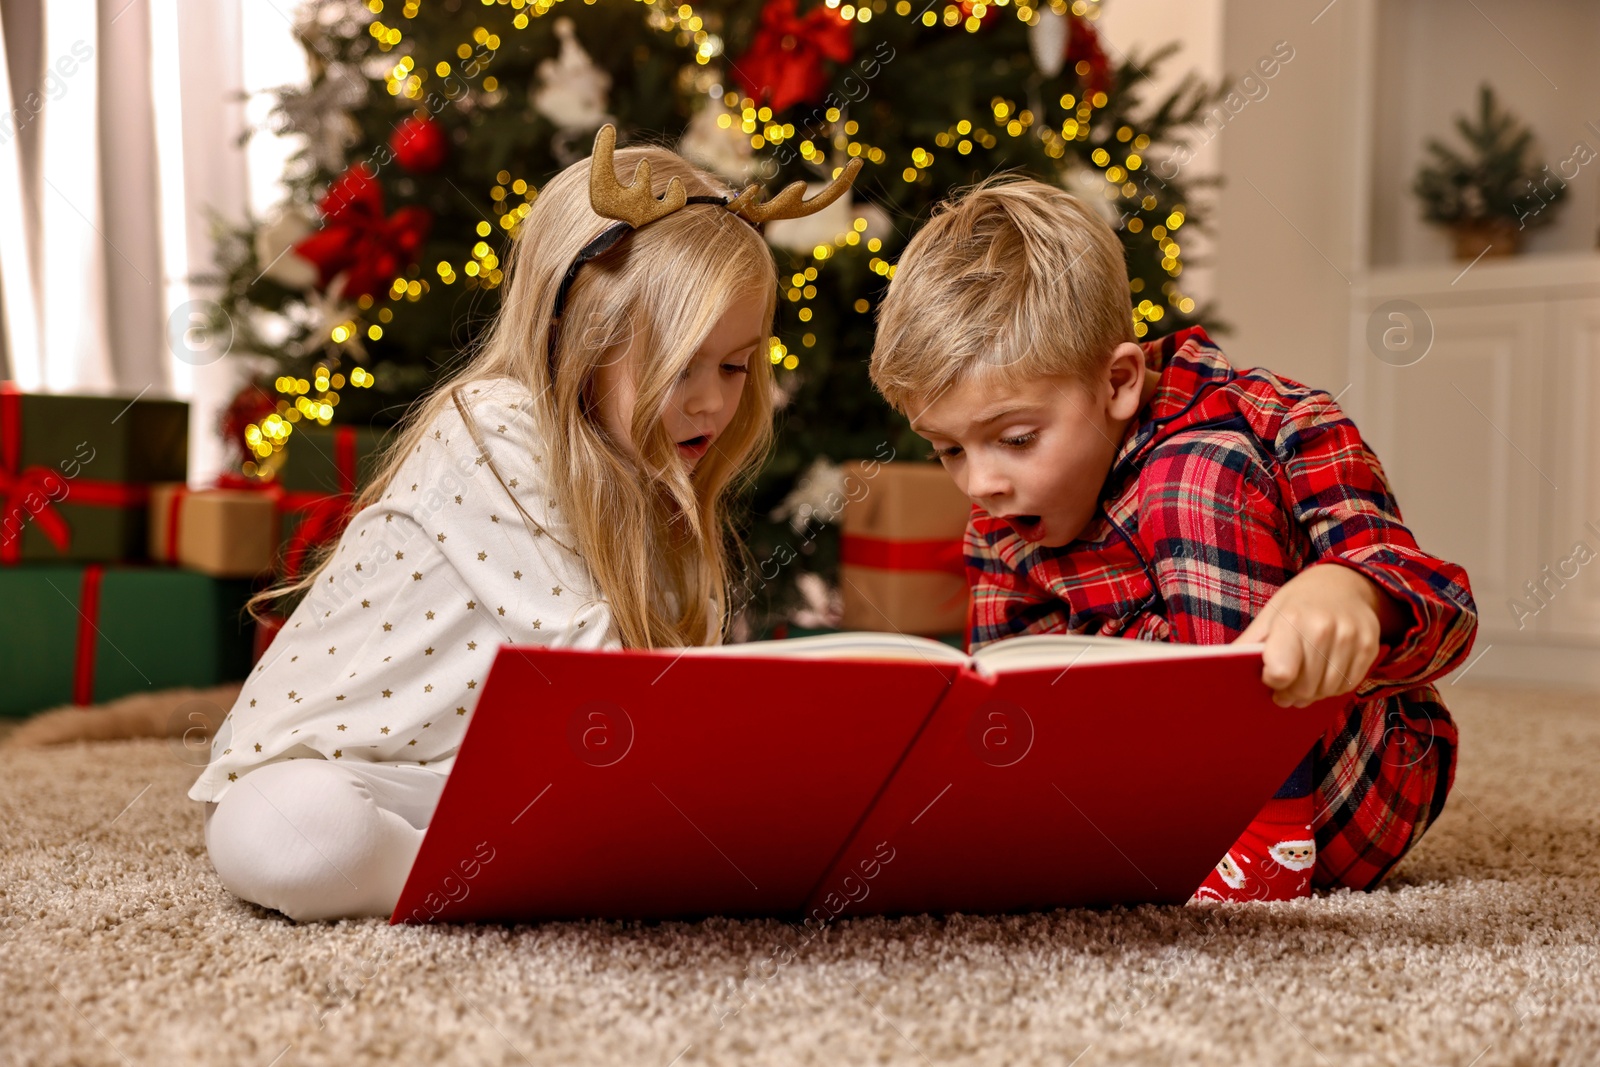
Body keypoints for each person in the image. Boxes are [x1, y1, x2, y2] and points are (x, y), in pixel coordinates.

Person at [192, 126, 861, 921]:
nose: (714, 400)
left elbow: (662, 696)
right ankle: (495, 875)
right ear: (580, 338)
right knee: (297, 833)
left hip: (486, 780)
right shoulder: (489, 429)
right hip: (349, 771)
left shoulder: (662, 477)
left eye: (734, 364)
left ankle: (533, 863)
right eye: (679, 364)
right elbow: (597, 676)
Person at [868, 176, 1477, 902]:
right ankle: (1185, 841)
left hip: (1352, 767)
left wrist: (1353, 593)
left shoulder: (1277, 421)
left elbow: (1445, 607)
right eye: (948, 450)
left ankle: (1258, 834)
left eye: (1017, 438)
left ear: (1120, 381)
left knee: (1197, 474)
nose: (981, 482)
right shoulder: (1003, 524)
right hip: (1156, 799)